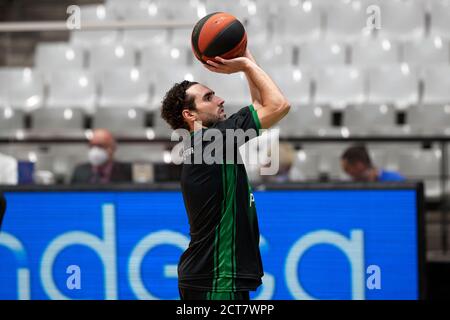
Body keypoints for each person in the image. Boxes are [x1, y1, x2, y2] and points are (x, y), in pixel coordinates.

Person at [161, 49, 290, 300]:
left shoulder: (210, 141)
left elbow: (260, 104)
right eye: (208, 97)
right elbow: (278, 105)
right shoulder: (212, 140)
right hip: (216, 277)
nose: (220, 99)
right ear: (190, 115)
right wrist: (245, 65)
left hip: (213, 276)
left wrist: (245, 54)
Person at [341, 145, 405, 182]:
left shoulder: (395, 180)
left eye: (347, 169)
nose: (346, 173)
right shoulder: (350, 187)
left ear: (359, 165)